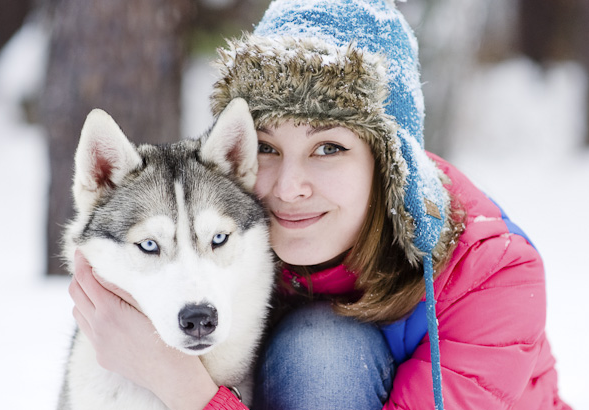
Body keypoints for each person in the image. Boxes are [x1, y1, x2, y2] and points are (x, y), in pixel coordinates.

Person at [69, 0, 571, 409]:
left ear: (388, 161)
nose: (289, 187)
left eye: (328, 148)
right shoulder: (243, 236)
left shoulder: (490, 277)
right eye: (266, 147)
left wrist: (178, 382)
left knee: (321, 347)